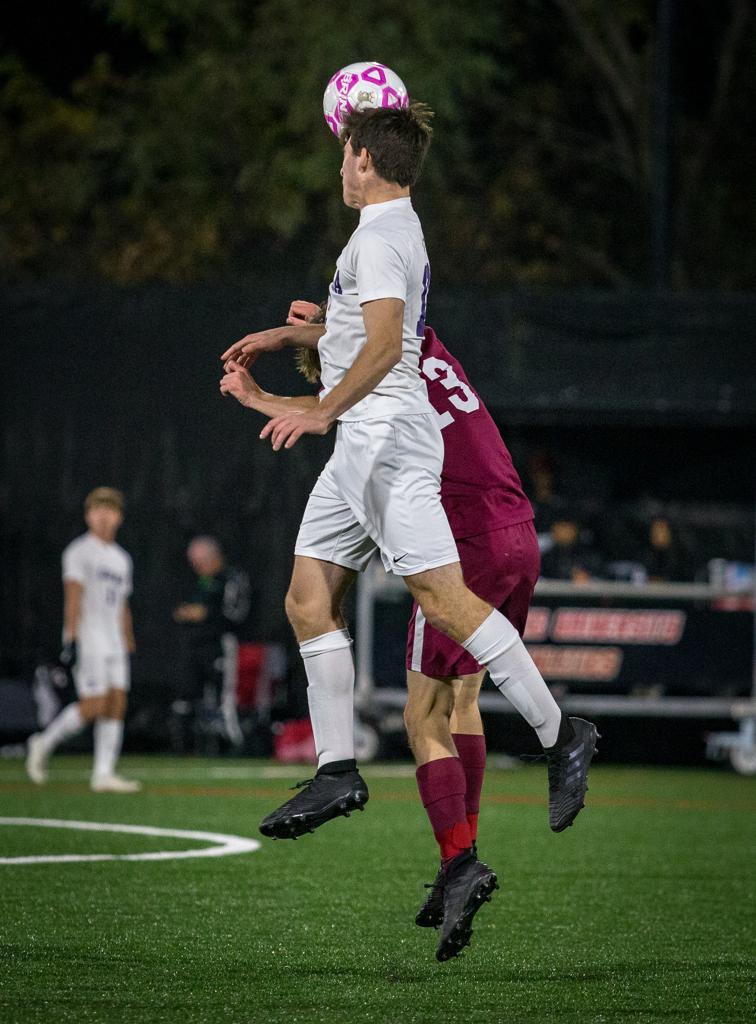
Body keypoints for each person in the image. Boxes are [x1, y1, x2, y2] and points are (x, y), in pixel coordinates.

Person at [220, 104, 598, 961]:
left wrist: (316, 408)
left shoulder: (386, 234)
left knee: (441, 597)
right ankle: (339, 771)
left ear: (364, 159)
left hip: (390, 444)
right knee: (307, 598)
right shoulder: (374, 235)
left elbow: (388, 344)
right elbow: (362, 329)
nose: (339, 163)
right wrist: (292, 345)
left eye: (346, 153)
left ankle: (560, 732)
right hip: (359, 446)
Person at [26, 487, 140, 793]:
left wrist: (128, 641)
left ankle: (103, 773)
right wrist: (71, 636)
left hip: (114, 639)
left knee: (117, 703)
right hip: (90, 637)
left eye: (110, 510)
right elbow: (73, 595)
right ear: (88, 515)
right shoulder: (79, 551)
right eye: (97, 509)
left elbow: (122, 605)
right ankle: (42, 742)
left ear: (119, 517)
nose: (104, 516)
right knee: (94, 704)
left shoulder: (121, 558)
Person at [170, 536, 250, 753]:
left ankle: (235, 746)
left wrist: (206, 614)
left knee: (224, 698)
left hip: (220, 644)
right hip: (194, 645)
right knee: (187, 695)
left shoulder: (230, 578)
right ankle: (184, 746)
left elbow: (236, 613)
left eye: (201, 561)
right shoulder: (195, 580)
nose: (198, 567)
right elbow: (181, 609)